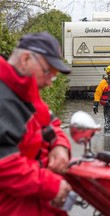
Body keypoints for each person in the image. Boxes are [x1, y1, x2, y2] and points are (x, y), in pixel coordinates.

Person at [0, 32, 72, 216]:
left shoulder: (24, 91)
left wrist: (60, 146)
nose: (49, 82)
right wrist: (51, 184)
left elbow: (51, 123)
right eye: (48, 72)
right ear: (25, 59)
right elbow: (5, 165)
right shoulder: (5, 98)